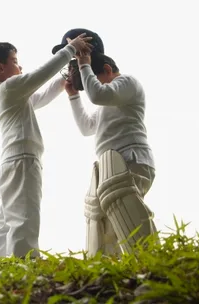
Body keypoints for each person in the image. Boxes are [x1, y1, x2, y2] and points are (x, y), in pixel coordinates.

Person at [0, 34, 92, 258]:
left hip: (12, 163)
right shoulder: (11, 87)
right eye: (15, 61)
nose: (20, 66)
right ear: (0, 68)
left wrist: (64, 80)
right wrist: (70, 49)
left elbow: (41, 96)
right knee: (25, 219)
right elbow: (41, 74)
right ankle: (25, 269)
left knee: (6, 222)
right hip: (22, 161)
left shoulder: (8, 93)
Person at [54, 29, 159, 256]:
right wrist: (73, 96)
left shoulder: (127, 83)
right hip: (110, 164)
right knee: (104, 227)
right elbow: (86, 127)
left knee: (128, 217)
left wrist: (84, 63)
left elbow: (99, 94)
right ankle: (115, 279)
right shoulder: (106, 102)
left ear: (108, 70)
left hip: (131, 158)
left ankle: (154, 268)